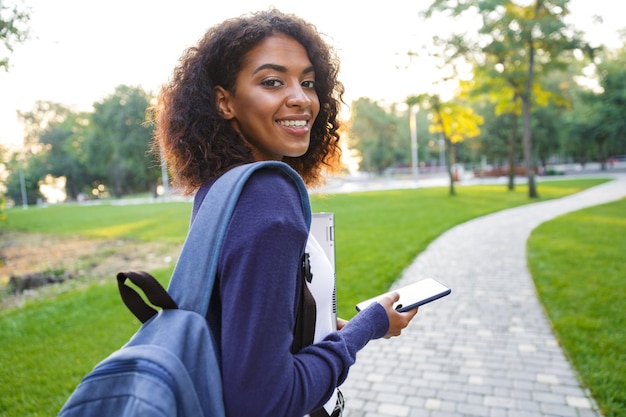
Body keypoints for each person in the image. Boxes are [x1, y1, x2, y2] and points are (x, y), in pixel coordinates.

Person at [153, 8, 418, 417]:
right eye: (273, 81)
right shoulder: (270, 198)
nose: (301, 98)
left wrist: (315, 333)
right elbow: (264, 401)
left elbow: (239, 330)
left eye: (308, 82)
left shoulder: (225, 187)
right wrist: (371, 326)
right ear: (225, 101)